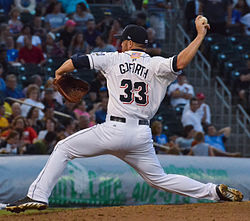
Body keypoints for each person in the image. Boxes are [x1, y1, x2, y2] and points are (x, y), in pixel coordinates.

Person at [6, 17, 243, 213]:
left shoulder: (113, 59)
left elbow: (77, 61)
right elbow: (180, 61)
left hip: (113, 130)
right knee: (158, 179)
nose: (120, 44)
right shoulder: (156, 64)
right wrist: (200, 36)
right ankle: (212, 191)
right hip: (141, 134)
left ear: (129, 43)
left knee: (63, 148)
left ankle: (38, 196)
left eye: (122, 41)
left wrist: (59, 73)